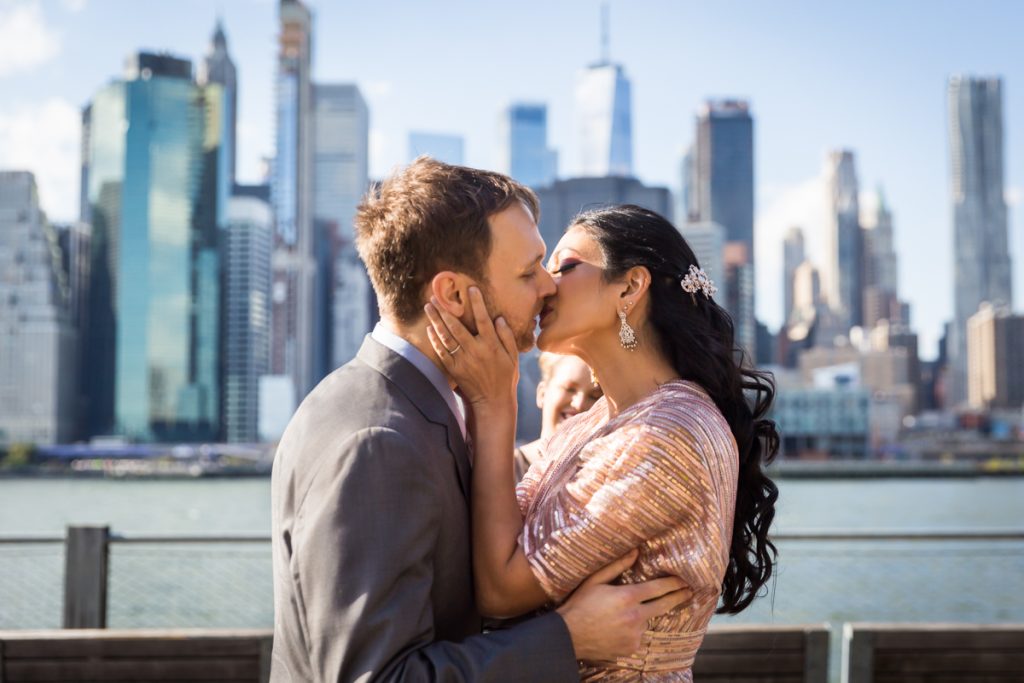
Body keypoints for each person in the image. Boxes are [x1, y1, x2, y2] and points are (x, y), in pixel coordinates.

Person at [269, 163, 693, 682]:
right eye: (527, 272)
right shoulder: (378, 442)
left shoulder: (409, 406)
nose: (547, 287)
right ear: (451, 295)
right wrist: (567, 637)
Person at [425, 204, 780, 681]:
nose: (546, 285)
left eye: (566, 266)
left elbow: (501, 589)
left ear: (630, 287)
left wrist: (495, 405)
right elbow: (505, 544)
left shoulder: (668, 434)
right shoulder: (591, 425)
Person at [514, 352, 602, 482]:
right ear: (542, 394)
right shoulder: (507, 466)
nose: (579, 404)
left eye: (594, 396)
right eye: (569, 389)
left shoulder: (603, 476)